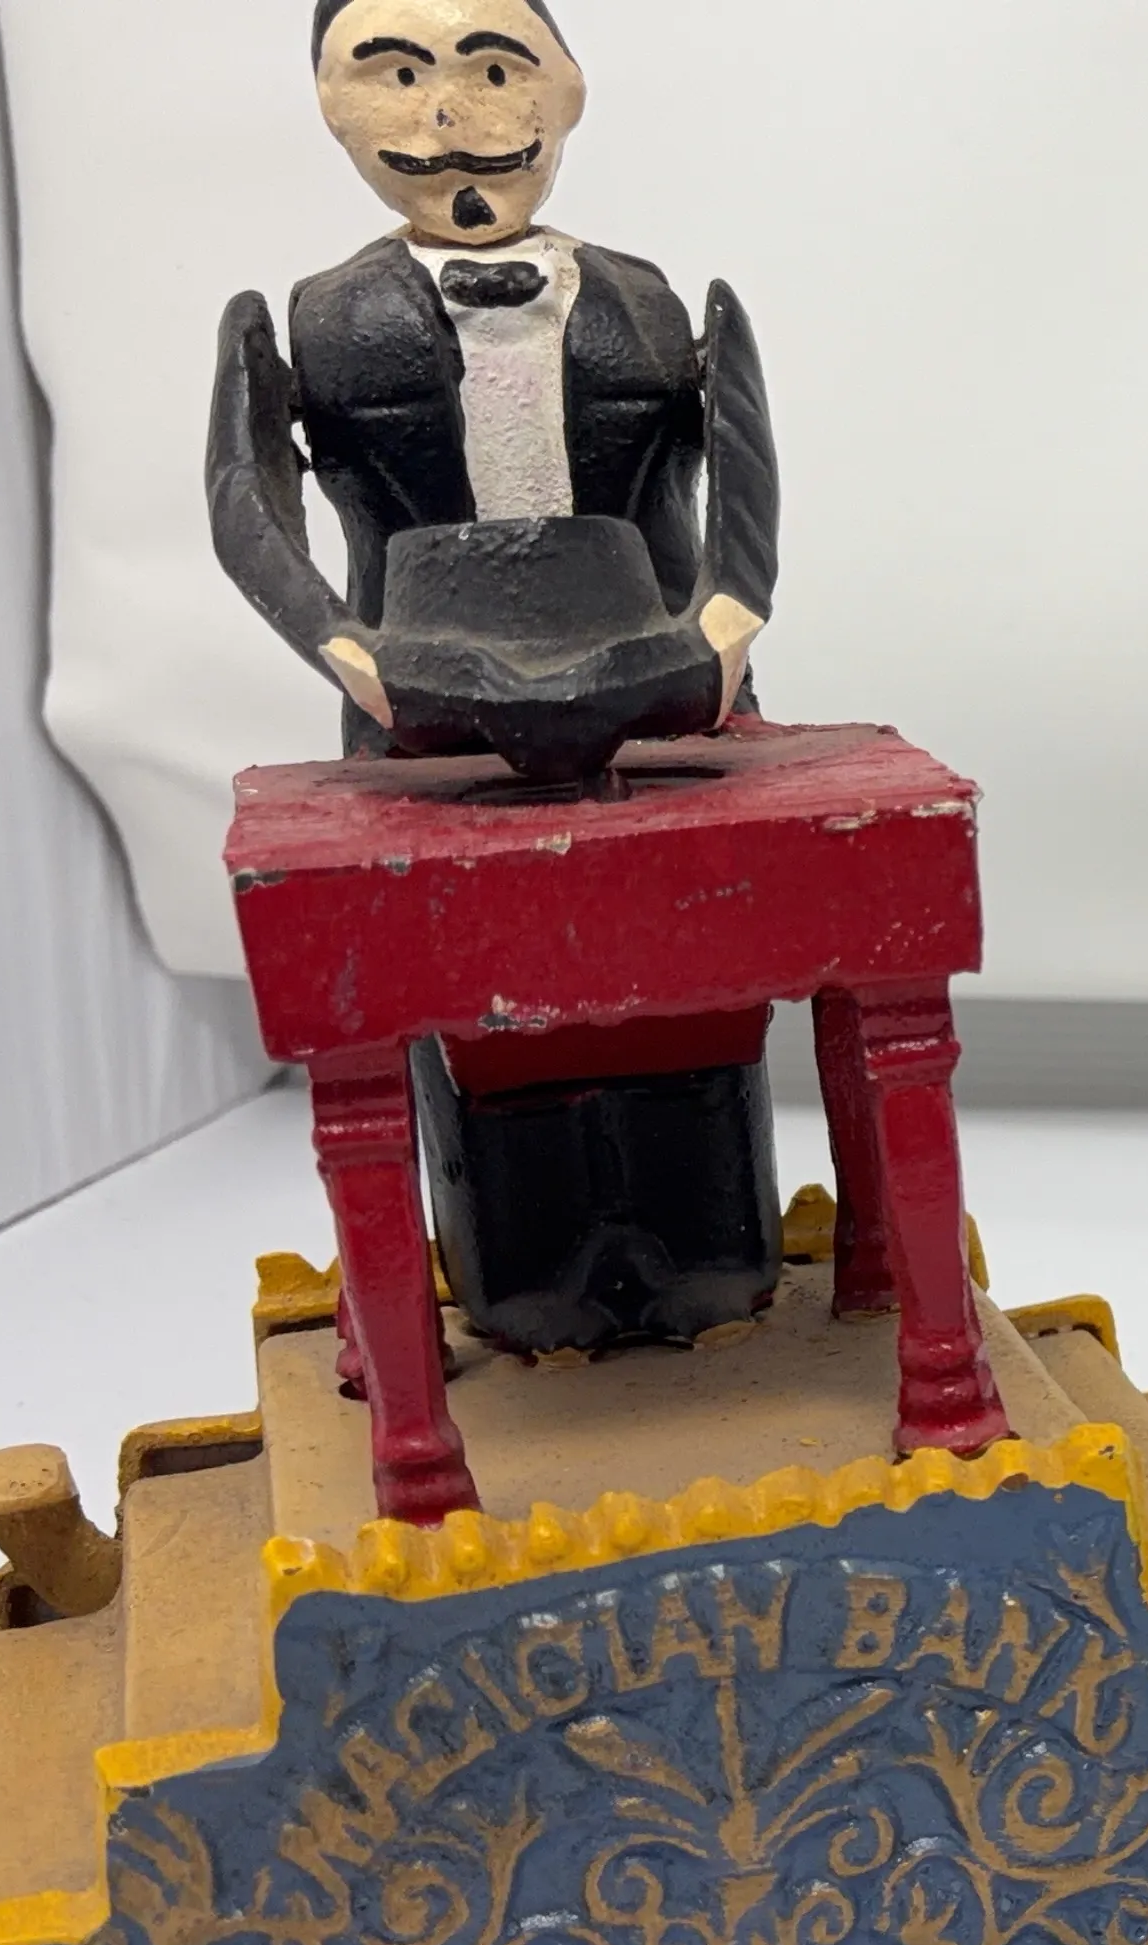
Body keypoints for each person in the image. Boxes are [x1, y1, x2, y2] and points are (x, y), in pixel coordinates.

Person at [209, 0, 784, 1354]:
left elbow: (747, 469)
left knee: (692, 973)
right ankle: (520, 1275)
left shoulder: (653, 301)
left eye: (491, 67)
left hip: (662, 694)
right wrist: (348, 650)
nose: (448, 114)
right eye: (395, 74)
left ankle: (712, 1250)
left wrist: (724, 626)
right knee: (473, 1004)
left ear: (567, 88)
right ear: (330, 105)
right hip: (426, 715)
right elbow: (248, 499)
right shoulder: (318, 322)